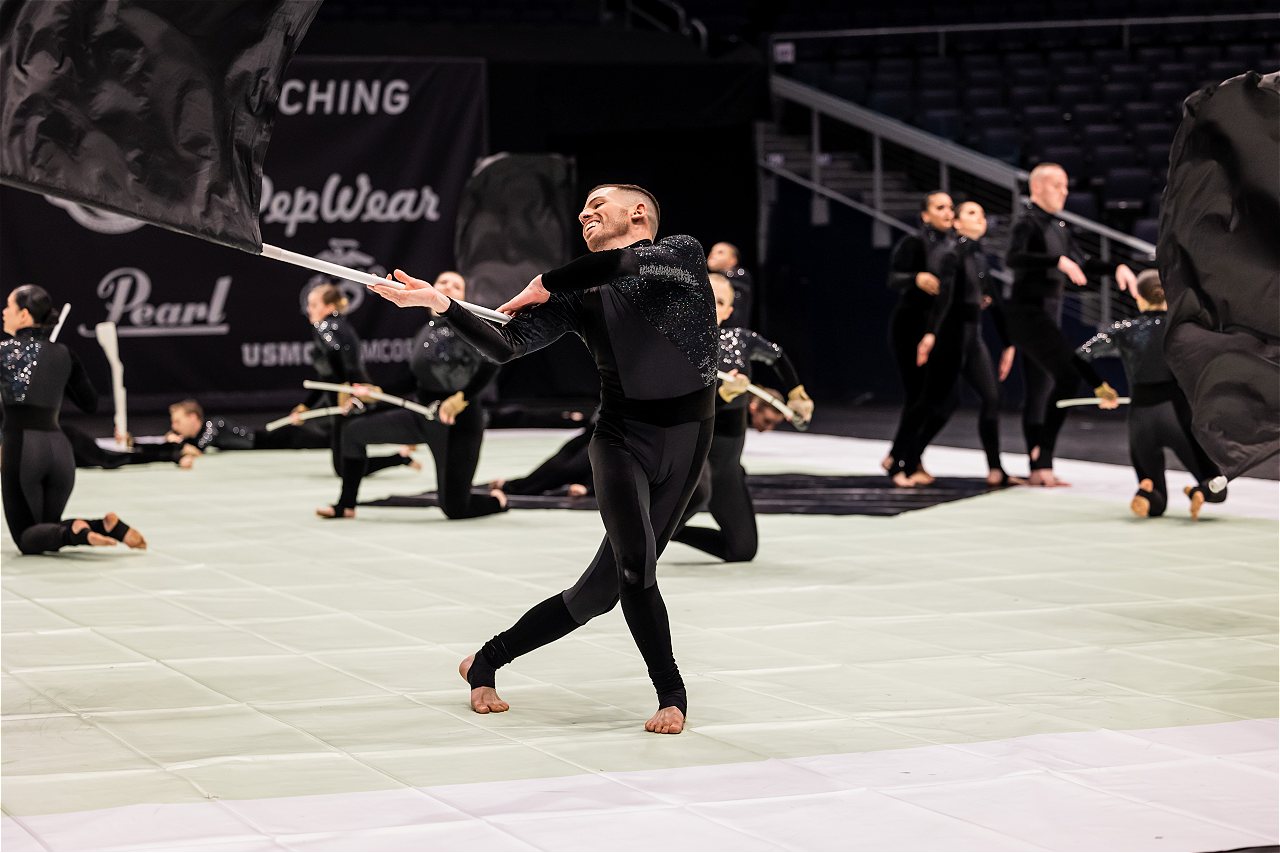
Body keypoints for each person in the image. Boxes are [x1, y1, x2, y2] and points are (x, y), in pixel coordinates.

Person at [370, 183, 716, 735]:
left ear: (638, 212)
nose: (583, 213)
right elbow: (506, 345)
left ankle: (484, 661)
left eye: (597, 205)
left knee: (597, 594)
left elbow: (623, 265)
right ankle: (671, 694)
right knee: (635, 569)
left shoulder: (682, 254)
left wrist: (546, 282)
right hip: (621, 440)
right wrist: (440, 304)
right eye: (583, 207)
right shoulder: (579, 294)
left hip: (689, 441)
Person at [317, 271, 505, 520]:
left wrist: (462, 398)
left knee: (455, 508)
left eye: (456, 285)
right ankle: (346, 505)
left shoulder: (470, 328)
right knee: (352, 432)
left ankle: (497, 500)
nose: (448, 286)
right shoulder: (424, 332)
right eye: (443, 282)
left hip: (458, 423)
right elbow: (413, 381)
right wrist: (379, 393)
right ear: (431, 289)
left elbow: (493, 361)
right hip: (422, 416)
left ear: (463, 297)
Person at [1005, 163, 1133, 486]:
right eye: (1056, 185)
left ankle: (1039, 467)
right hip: (1027, 313)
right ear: (1037, 188)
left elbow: (1083, 262)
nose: (1064, 192)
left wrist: (1116, 267)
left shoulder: (1059, 225)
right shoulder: (1026, 222)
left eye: (1065, 186)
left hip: (1048, 312)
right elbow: (1013, 259)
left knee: (1040, 389)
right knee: (1069, 375)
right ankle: (1043, 456)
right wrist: (1056, 261)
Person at [671, 273, 812, 562]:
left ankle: (668, 531)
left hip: (727, 466)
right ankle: (649, 534)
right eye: (705, 297)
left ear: (728, 311)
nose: (711, 306)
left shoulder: (739, 340)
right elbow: (680, 410)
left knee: (742, 550)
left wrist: (796, 392)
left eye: (720, 302)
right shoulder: (675, 346)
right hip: (695, 455)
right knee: (700, 491)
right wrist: (723, 395)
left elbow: (776, 356)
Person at [1, 285, 147, 554]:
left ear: (23, 315)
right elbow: (90, 404)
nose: (3, 312)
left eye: (9, 306)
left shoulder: (4, 351)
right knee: (46, 528)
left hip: (23, 449)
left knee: (26, 538)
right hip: (60, 450)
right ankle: (104, 527)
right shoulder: (64, 354)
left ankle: (76, 533)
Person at [1077, 270, 1226, 519]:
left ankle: (1146, 492)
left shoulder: (1125, 329)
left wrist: (1101, 387)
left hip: (1140, 420)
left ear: (1138, 297)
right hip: (1176, 416)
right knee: (1216, 486)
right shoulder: (1183, 329)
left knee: (1156, 503)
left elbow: (1080, 356)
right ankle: (1199, 491)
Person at [895, 201, 1019, 486]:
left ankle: (996, 469)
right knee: (935, 403)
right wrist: (931, 334)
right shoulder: (953, 253)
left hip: (973, 338)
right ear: (958, 224)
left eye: (982, 213)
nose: (981, 218)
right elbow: (945, 296)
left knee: (992, 398)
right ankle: (904, 461)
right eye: (972, 213)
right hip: (950, 337)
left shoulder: (979, 256)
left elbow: (995, 301)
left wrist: (1008, 343)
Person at [299, 283, 412, 478]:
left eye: (314, 305)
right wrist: (306, 406)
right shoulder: (340, 325)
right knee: (347, 463)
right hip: (352, 393)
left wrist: (344, 389)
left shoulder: (324, 326)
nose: (309, 309)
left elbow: (334, 352)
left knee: (346, 465)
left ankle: (402, 456)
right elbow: (326, 378)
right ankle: (402, 457)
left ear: (329, 307)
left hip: (350, 397)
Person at [884, 191, 955, 484]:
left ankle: (903, 455)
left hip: (938, 328)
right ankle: (902, 462)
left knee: (942, 399)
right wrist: (916, 278)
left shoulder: (953, 245)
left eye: (950, 207)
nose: (948, 212)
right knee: (919, 396)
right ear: (925, 215)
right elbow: (893, 278)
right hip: (911, 325)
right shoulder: (914, 242)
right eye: (940, 207)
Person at [706, 241, 753, 327]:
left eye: (720, 252)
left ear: (733, 260)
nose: (712, 254)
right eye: (712, 251)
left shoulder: (739, 275)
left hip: (731, 331)